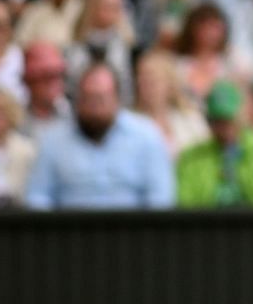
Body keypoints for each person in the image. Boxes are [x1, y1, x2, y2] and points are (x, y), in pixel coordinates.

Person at [25, 64, 176, 210]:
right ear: (77, 100)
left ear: (117, 99)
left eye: (100, 99)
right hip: (70, 232)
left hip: (131, 232)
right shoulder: (53, 141)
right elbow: (37, 197)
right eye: (88, 98)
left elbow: (160, 198)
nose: (94, 107)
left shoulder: (146, 136)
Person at [175, 81, 253, 208]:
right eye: (217, 120)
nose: (223, 127)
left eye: (228, 119)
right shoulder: (192, 158)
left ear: (241, 116)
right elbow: (185, 203)